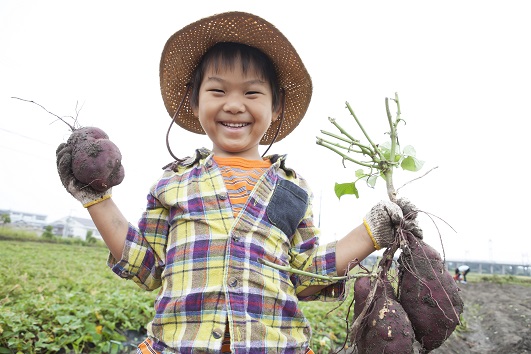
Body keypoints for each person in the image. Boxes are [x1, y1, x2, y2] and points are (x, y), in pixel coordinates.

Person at [56, 11, 422, 354]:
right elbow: (148, 267)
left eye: (251, 93)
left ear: (275, 106)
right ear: (195, 102)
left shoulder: (290, 189)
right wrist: (97, 200)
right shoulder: (174, 183)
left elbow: (305, 274)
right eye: (217, 91)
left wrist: (371, 233)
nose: (234, 104)